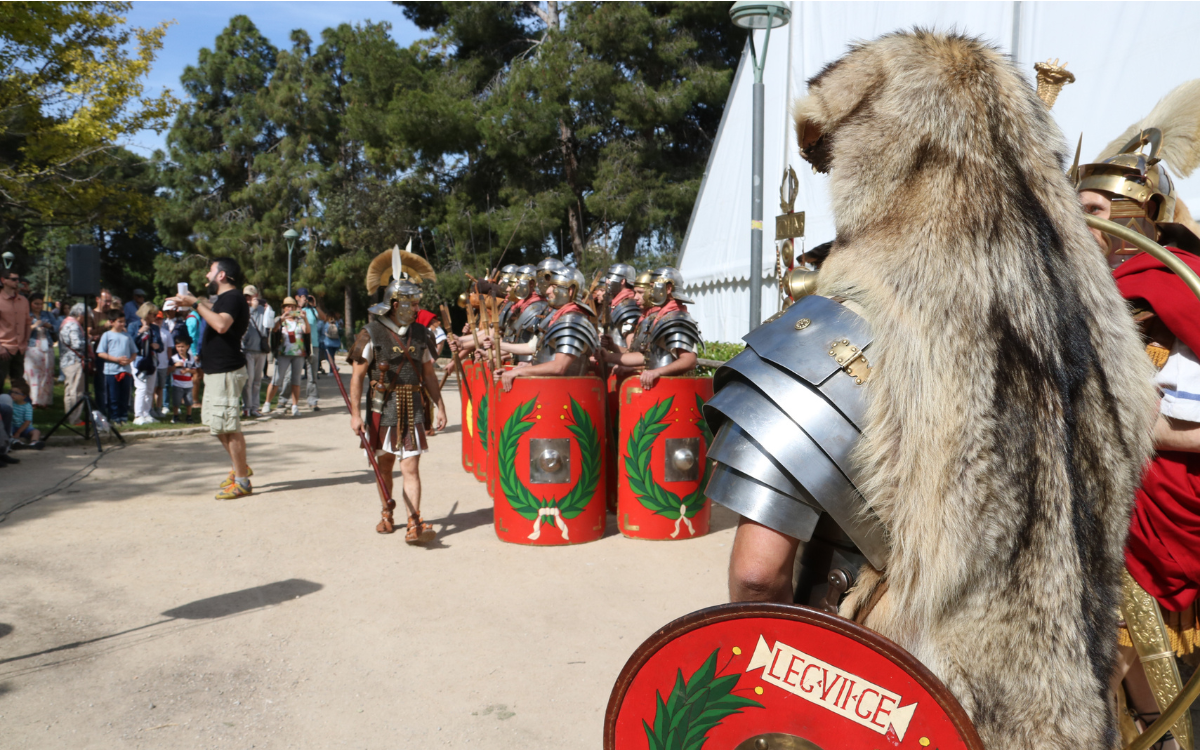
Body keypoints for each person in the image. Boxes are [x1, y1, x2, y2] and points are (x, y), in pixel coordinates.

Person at [1074, 106, 1200, 747]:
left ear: (1133, 221)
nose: (1078, 221)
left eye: (1094, 211)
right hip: (1103, 502)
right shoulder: (1096, 292)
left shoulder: (1171, 288)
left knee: (1095, 675)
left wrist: (1141, 432)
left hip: (1153, 511)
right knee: (1134, 684)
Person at [348, 256, 447, 541]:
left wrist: (439, 406)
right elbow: (356, 377)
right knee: (386, 464)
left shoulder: (420, 333)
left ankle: (414, 521)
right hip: (383, 406)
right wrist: (355, 414)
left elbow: (428, 374)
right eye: (412, 303)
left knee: (411, 466)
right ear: (395, 304)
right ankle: (386, 513)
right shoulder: (371, 333)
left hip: (414, 407)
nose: (418, 309)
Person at [171, 257, 252, 500]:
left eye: (210, 271)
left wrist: (195, 302)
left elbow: (221, 325)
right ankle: (241, 467)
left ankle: (242, 481)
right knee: (217, 425)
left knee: (229, 426)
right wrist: (193, 305)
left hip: (226, 372)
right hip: (217, 372)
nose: (207, 276)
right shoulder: (224, 300)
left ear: (221, 275)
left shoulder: (234, 297)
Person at [495, 265, 599, 392]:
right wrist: (515, 370)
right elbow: (543, 357)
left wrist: (520, 371)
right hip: (548, 391)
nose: (548, 290)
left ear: (570, 290)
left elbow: (559, 367)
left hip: (562, 395)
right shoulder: (559, 317)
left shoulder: (573, 322)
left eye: (554, 287)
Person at [604, 267, 701, 390]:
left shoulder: (677, 320)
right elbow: (645, 357)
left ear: (668, 288)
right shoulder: (661, 318)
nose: (650, 291)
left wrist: (657, 372)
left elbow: (689, 361)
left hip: (673, 389)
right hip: (658, 388)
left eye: (653, 286)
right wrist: (608, 356)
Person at [262, 297, 309, 417]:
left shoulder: (300, 320)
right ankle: (267, 403)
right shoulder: (280, 319)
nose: (290, 309)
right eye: (287, 306)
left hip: (298, 353)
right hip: (283, 353)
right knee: (277, 379)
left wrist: (305, 319)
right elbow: (274, 331)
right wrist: (281, 320)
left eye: (292, 307)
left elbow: (307, 331)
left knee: (296, 381)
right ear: (283, 308)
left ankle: (295, 406)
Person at [96, 310, 136, 424]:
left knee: (124, 395)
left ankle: (123, 416)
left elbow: (134, 352)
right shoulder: (107, 335)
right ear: (112, 322)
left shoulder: (127, 336)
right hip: (111, 371)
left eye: (124, 321)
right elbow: (101, 353)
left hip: (126, 370)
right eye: (120, 321)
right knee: (113, 395)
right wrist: (116, 359)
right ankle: (114, 416)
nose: (123, 324)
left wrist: (129, 360)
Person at [131, 302, 163, 425]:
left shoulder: (155, 328)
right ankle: (138, 415)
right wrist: (140, 332)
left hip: (152, 360)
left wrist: (158, 346)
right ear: (146, 313)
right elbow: (131, 343)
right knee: (141, 388)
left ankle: (146, 413)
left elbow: (161, 346)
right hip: (138, 360)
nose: (155, 317)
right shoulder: (134, 325)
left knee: (150, 389)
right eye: (153, 314)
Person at [0, 269, 30, 394]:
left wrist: (25, 342)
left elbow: (28, 322)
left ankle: (17, 411)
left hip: (19, 348)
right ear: (3, 280)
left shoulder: (23, 300)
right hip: (3, 349)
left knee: (18, 384)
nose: (17, 282)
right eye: (13, 279)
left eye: (18, 279)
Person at [597, 263, 641, 350]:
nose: (607, 282)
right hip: (610, 359)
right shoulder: (614, 303)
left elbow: (631, 349)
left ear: (622, 281)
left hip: (621, 361)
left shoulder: (629, 306)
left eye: (610, 279)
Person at [241, 285, 269, 418]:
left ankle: (254, 408)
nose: (248, 299)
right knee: (248, 380)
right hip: (247, 350)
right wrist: (251, 309)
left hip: (261, 350)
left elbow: (267, 325)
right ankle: (246, 407)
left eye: (251, 297)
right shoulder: (243, 309)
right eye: (246, 297)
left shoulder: (263, 309)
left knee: (257, 381)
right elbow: (243, 324)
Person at [58, 303, 88, 423]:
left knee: (70, 390)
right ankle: (75, 419)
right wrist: (89, 342)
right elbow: (76, 344)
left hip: (66, 361)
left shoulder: (65, 322)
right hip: (73, 361)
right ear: (80, 314)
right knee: (76, 390)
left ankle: (71, 417)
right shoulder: (73, 325)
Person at [294, 287, 323, 410]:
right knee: (292, 374)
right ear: (297, 297)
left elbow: (323, 318)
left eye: (306, 296)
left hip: (313, 345)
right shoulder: (293, 309)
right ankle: (284, 400)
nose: (305, 298)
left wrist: (315, 305)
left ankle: (313, 401)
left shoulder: (312, 310)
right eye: (302, 296)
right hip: (297, 345)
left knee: (312, 374)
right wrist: (298, 307)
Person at [24, 293, 55, 407]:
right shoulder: (27, 315)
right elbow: (22, 330)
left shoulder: (47, 314)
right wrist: (33, 326)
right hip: (32, 346)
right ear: (30, 303)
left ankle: (44, 400)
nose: (38, 306)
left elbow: (57, 326)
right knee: (33, 373)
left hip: (47, 345)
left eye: (41, 304)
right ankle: (33, 399)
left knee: (46, 373)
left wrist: (49, 326)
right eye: (36, 303)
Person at [168, 334, 198, 424]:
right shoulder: (173, 358)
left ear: (187, 347)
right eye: (178, 347)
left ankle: (189, 417)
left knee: (189, 402)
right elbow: (168, 370)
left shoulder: (191, 358)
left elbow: (195, 371)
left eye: (182, 347)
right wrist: (175, 366)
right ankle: (175, 416)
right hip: (177, 383)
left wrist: (188, 370)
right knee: (176, 402)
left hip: (188, 384)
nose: (180, 349)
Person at [7, 384, 44, 449]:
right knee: (7, 430)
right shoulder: (10, 403)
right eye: (12, 392)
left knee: (36, 432)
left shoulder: (27, 406)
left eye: (16, 393)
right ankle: (15, 442)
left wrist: (18, 432)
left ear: (24, 396)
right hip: (12, 426)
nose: (13, 394)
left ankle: (34, 442)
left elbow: (27, 421)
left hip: (25, 428)